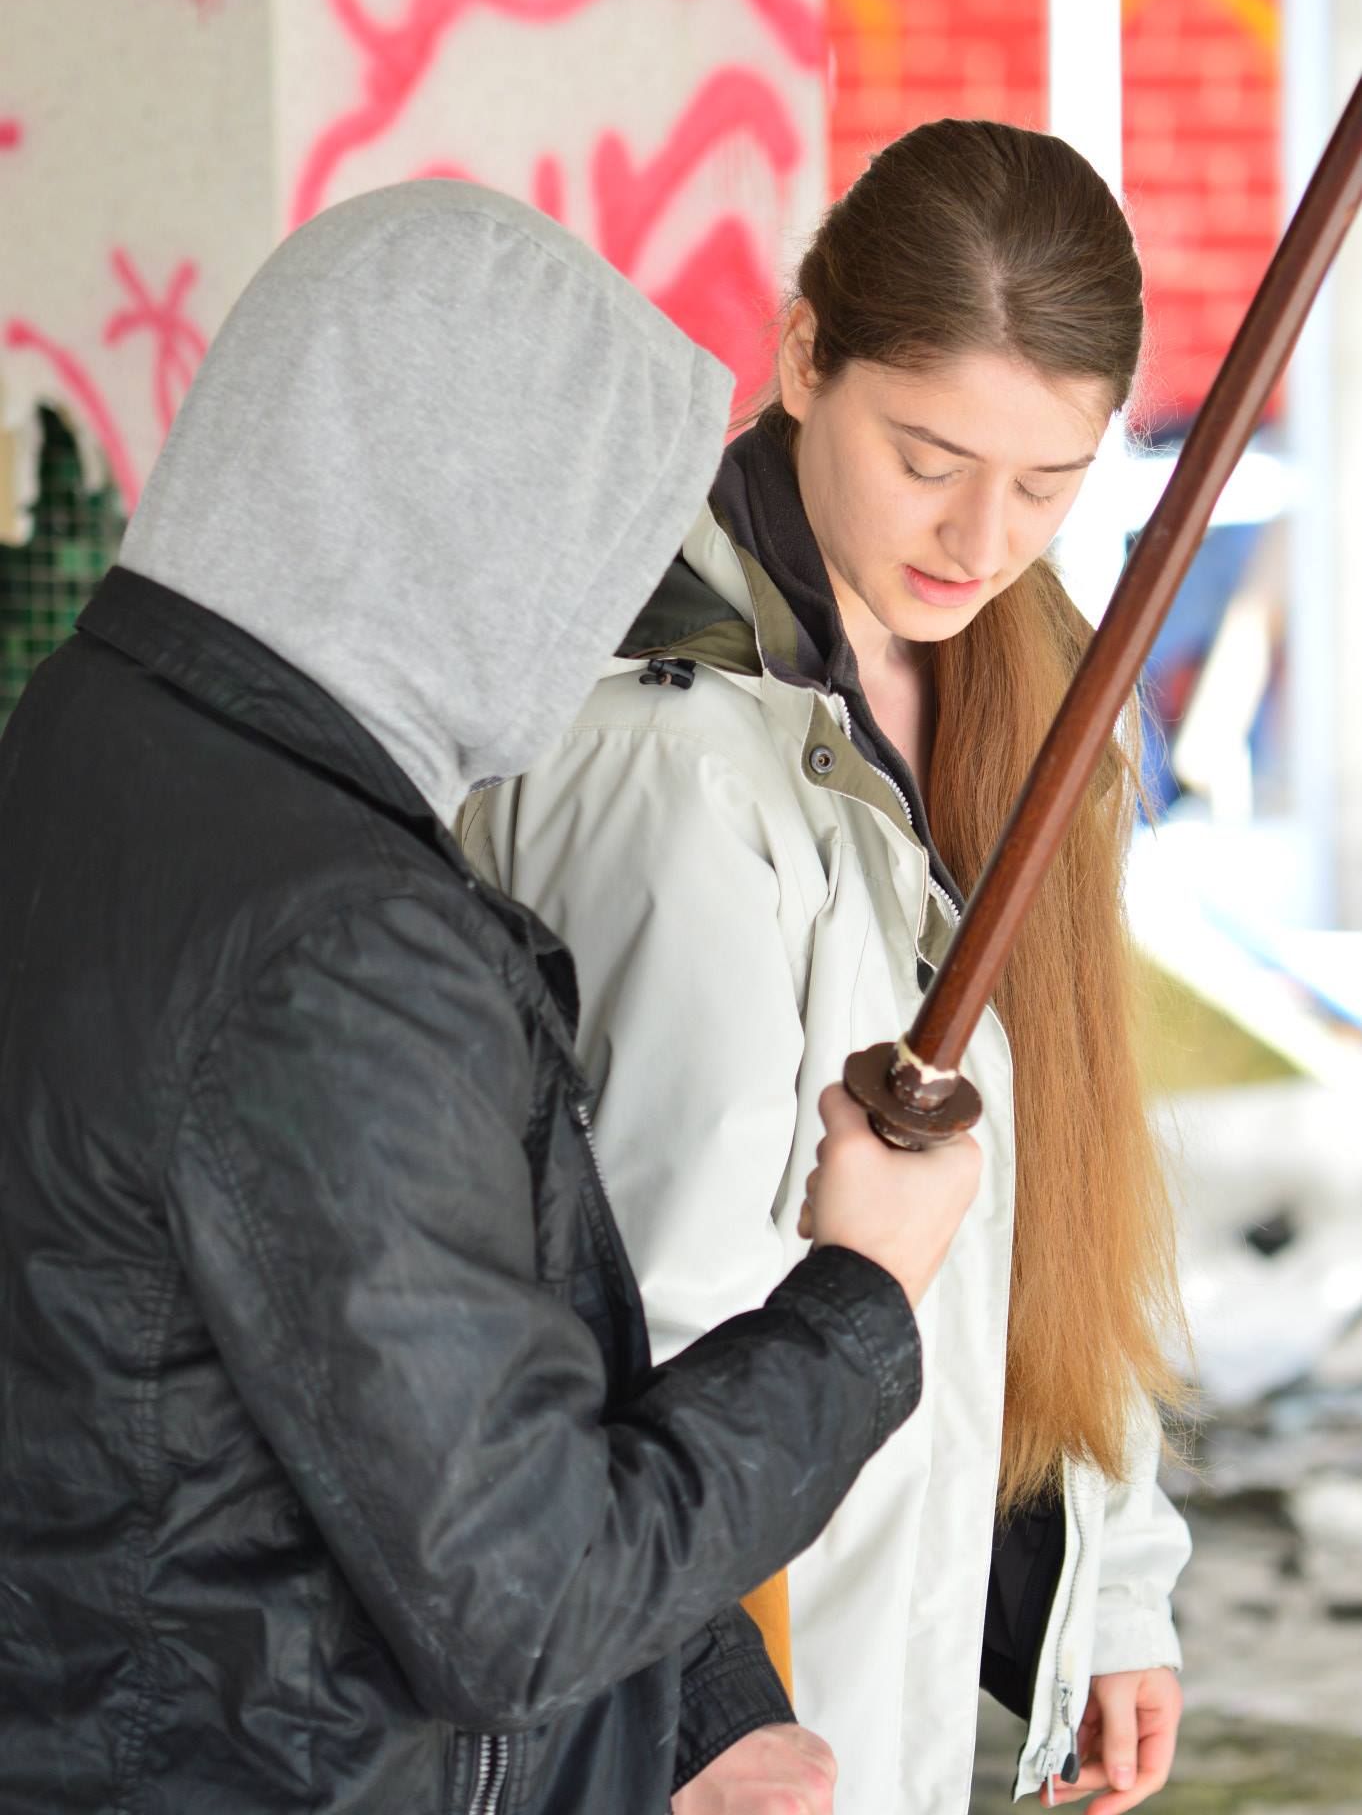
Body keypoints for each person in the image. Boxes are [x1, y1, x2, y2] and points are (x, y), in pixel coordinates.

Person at [0, 181, 984, 1815]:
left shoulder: (102, 747)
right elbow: (520, 1602)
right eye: (602, 534)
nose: (605, 609)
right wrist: (861, 1289)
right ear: (470, 516)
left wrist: (698, 1707)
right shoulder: (331, 947)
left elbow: (412, 1406)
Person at [460, 122, 1194, 1815]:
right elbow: (642, 1317)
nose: (980, 534)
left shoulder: (1029, 688)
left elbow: (1047, 1189)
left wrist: (1110, 1584)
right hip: (751, 1704)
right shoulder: (663, 759)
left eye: (1047, 480)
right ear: (802, 356)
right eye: (928, 454)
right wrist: (700, 1712)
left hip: (905, 1639)